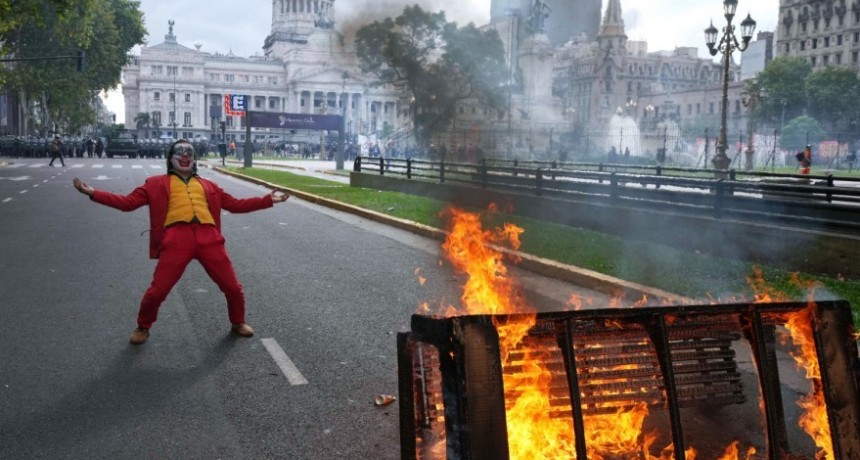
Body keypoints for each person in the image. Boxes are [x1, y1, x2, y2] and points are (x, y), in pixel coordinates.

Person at [72, 139, 290, 345]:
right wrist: (93, 193)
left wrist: (267, 200)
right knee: (158, 291)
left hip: (209, 238)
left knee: (233, 287)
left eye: (189, 152)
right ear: (170, 158)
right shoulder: (155, 183)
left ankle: (238, 321)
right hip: (176, 238)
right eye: (180, 152)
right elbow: (127, 203)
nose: (185, 156)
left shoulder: (209, 185)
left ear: (194, 159)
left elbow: (235, 204)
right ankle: (143, 326)